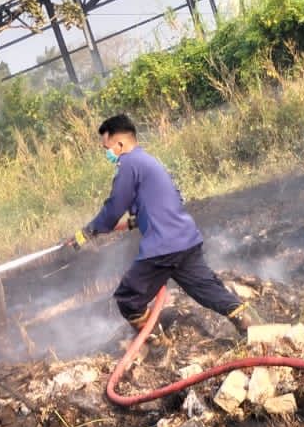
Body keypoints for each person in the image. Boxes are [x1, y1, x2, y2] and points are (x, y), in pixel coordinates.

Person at [66, 114, 259, 335]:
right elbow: (170, 198)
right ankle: (250, 326)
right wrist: (136, 221)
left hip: (163, 247)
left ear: (120, 144)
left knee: (128, 297)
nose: (106, 153)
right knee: (206, 289)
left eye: (106, 148)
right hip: (186, 239)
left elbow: (114, 207)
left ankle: (154, 342)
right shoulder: (149, 161)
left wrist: (87, 232)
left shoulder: (128, 163)